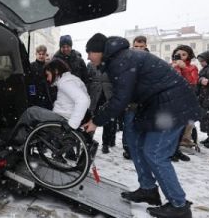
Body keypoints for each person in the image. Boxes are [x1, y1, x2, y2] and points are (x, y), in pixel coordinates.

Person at [83, 35, 199, 218]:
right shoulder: (120, 59)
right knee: (136, 144)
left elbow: (121, 98)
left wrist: (97, 121)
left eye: (90, 52)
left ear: (100, 52)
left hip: (172, 106)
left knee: (155, 153)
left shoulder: (121, 61)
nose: (88, 57)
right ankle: (148, 189)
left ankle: (179, 205)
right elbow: (124, 96)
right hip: (157, 105)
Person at [14, 59, 90, 142]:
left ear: (56, 71)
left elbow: (83, 100)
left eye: (48, 75)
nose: (47, 79)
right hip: (66, 117)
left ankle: (17, 139)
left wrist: (72, 124)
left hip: (63, 119)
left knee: (31, 112)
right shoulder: (73, 79)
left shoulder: (65, 82)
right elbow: (87, 99)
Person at [86, 33, 116, 154]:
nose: (88, 57)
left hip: (108, 94)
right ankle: (88, 141)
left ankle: (105, 143)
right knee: (92, 117)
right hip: (95, 95)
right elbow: (88, 78)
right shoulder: (90, 64)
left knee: (107, 120)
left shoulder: (112, 65)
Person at [169, 45, 199, 162]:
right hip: (171, 100)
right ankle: (170, 151)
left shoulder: (192, 67)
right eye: (178, 54)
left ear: (189, 56)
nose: (181, 56)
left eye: (184, 54)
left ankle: (176, 150)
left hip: (184, 101)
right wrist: (174, 68)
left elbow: (193, 82)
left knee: (181, 128)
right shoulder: (171, 66)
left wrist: (185, 69)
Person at [122, 35, 149, 160]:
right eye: (136, 46)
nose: (138, 49)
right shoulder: (127, 59)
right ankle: (128, 149)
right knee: (128, 124)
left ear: (145, 47)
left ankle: (140, 148)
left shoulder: (151, 60)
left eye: (141, 47)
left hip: (145, 100)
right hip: (130, 99)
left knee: (142, 126)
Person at [196, 51, 209, 148]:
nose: (201, 63)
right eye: (200, 61)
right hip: (204, 97)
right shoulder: (205, 69)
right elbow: (199, 79)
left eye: (203, 61)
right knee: (206, 119)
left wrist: (202, 80)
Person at [29, 45, 53, 109]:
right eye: (39, 54)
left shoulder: (49, 66)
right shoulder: (31, 66)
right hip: (36, 96)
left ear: (45, 55)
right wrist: (32, 95)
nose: (41, 56)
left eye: (43, 54)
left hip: (47, 95)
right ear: (36, 54)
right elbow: (30, 82)